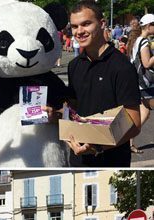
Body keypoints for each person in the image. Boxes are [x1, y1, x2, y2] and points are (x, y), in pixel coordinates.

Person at [58, 1, 141, 167]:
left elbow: (134, 124)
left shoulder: (122, 66)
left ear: (102, 24)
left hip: (111, 160)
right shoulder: (74, 65)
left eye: (86, 24)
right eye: (74, 26)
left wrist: (98, 147)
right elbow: (72, 108)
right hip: (78, 159)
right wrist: (56, 114)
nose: (79, 31)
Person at [128, 13, 154, 154]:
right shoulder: (143, 42)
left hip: (139, 83)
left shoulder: (137, 40)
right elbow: (146, 63)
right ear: (149, 26)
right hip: (146, 84)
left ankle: (129, 142)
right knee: (142, 115)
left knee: (143, 115)